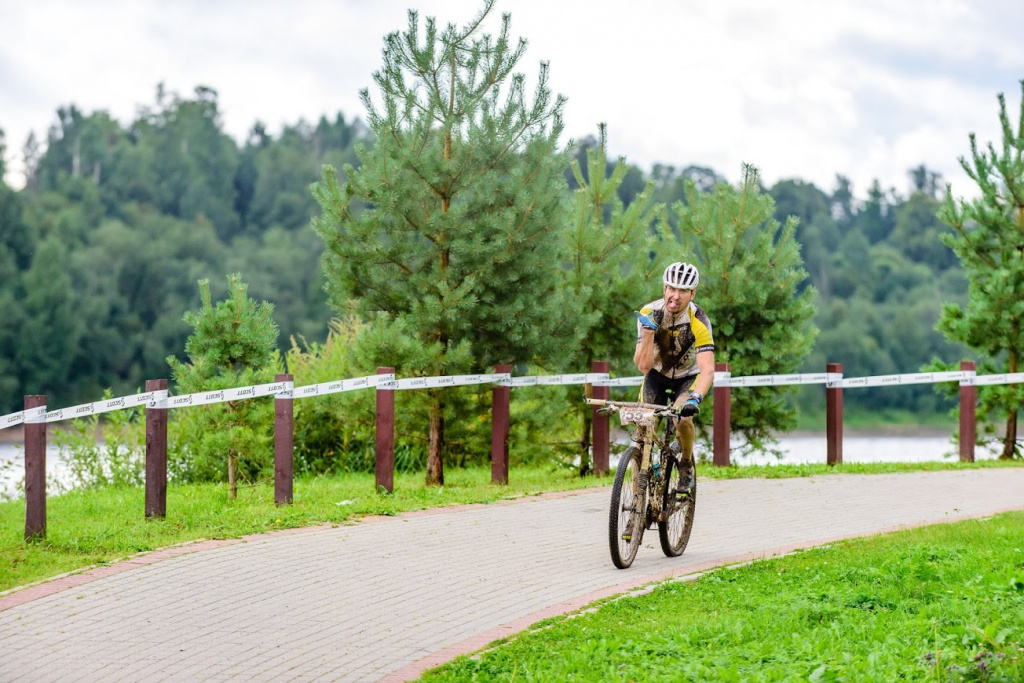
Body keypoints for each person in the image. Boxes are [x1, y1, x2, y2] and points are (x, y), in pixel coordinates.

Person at [634, 261, 715, 476]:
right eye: (672, 288)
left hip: (687, 378)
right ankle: (637, 496)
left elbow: (707, 370)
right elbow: (643, 366)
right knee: (643, 428)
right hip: (656, 375)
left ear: (692, 294)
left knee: (682, 418)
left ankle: (686, 465)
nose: (676, 295)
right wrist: (649, 333)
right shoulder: (649, 312)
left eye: (683, 291)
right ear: (664, 288)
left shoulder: (699, 320)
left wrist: (695, 398)